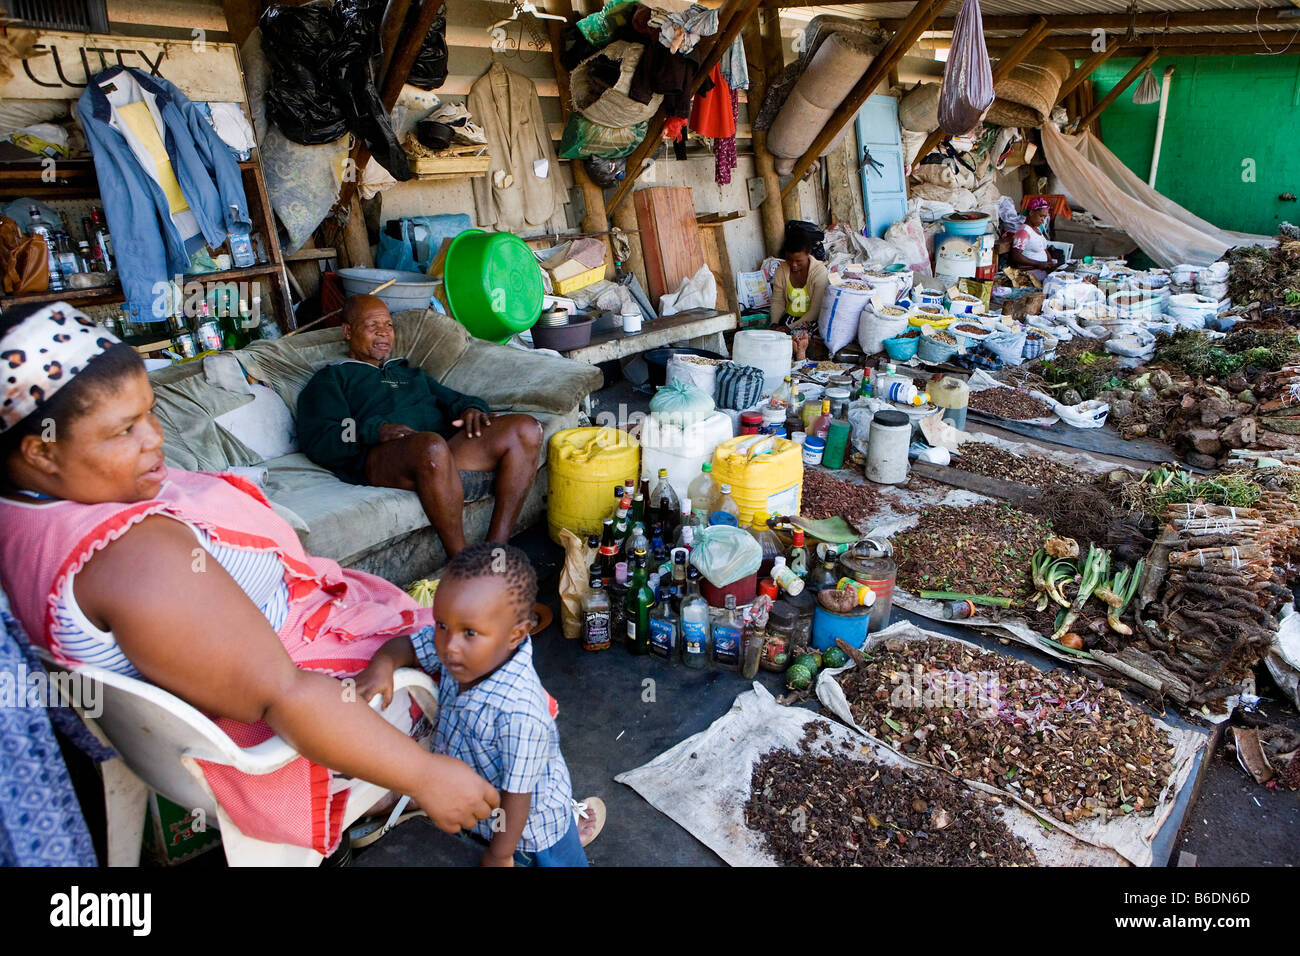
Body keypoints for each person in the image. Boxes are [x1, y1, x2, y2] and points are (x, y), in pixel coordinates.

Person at [0, 302, 500, 857]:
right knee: (495, 677)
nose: (155, 439)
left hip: (175, 724)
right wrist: (426, 777)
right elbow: (287, 696)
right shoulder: (136, 559)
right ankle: (490, 810)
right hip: (280, 729)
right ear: (42, 451)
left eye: (150, 414)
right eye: (125, 429)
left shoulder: (22, 512)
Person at [357, 543, 603, 867]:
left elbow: (518, 798)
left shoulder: (520, 711)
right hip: (479, 816)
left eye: (469, 632)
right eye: (442, 625)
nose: (449, 645)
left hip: (532, 833)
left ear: (515, 635)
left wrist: (500, 855)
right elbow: (409, 646)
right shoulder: (463, 653)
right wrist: (382, 665)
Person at [296, 295, 544, 558]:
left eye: (388, 325)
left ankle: (496, 550)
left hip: (438, 450)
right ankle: (461, 564)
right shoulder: (333, 378)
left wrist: (471, 409)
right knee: (431, 446)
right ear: (347, 331)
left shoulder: (407, 372)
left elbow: (453, 399)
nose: (383, 333)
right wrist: (375, 430)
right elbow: (322, 436)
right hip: (384, 457)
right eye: (372, 326)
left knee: (526, 429)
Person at [769, 220, 829, 362]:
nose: (794, 265)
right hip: (789, 319)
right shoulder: (781, 270)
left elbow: (815, 311)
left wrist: (788, 329)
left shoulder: (819, 272)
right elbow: (778, 301)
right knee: (773, 340)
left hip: (810, 321)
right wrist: (775, 324)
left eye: (799, 261)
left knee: (798, 341)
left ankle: (800, 360)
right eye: (790, 260)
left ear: (808, 254)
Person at [1008, 197, 1063, 275]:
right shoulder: (1024, 231)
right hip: (1030, 273)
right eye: (1041, 216)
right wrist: (1038, 264)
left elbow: (1044, 249)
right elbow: (1016, 256)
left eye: (1045, 217)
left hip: (1042, 271)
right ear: (1031, 213)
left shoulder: (1037, 229)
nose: (1043, 220)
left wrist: (1050, 263)